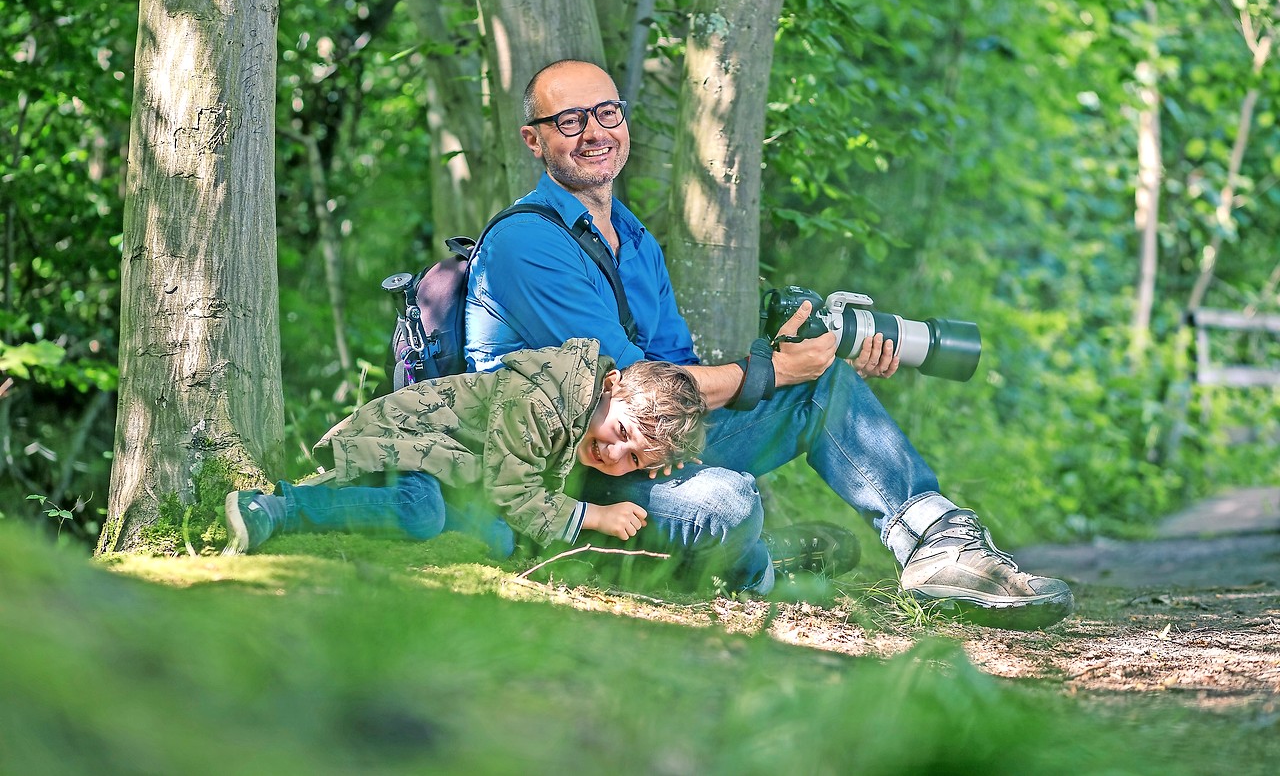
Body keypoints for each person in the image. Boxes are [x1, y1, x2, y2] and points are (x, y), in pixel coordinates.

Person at [462, 59, 1075, 629]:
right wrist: (768, 370)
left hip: (645, 445)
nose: (594, 132)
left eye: (607, 113)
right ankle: (755, 566)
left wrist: (802, 360)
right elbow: (625, 386)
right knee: (727, 503)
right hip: (570, 473)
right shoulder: (527, 243)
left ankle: (938, 546)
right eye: (569, 121)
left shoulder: (632, 235)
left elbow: (673, 378)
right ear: (534, 139)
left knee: (822, 383)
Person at [222, 338, 706, 555]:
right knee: (420, 513)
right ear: (611, 385)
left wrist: (657, 461)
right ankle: (283, 506)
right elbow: (514, 491)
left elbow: (510, 495)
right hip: (407, 442)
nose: (614, 456)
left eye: (636, 460)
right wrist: (593, 516)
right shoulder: (542, 399)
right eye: (622, 433)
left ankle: (368, 506)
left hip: (452, 470)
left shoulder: (581, 415)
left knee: (497, 541)